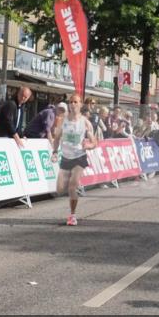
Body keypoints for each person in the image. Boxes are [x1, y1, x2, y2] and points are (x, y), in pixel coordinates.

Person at [51, 94, 97, 226]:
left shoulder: (85, 122)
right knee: (59, 189)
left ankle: (72, 215)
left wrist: (89, 145)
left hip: (79, 157)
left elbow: (94, 142)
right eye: (71, 102)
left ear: (81, 104)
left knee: (72, 185)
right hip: (66, 157)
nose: (72, 104)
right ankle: (75, 189)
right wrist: (54, 151)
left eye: (75, 102)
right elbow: (57, 138)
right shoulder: (63, 120)